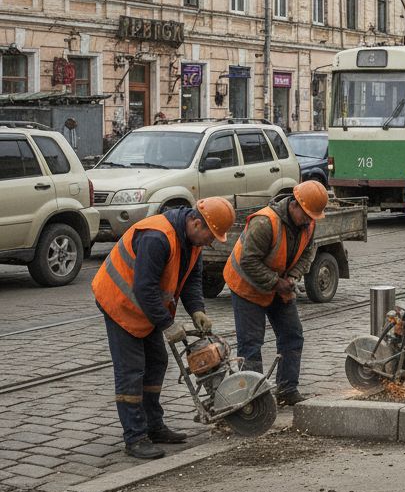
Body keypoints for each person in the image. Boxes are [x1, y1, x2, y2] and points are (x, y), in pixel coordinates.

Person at [92, 198, 233, 459]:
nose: (209, 242)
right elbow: (144, 289)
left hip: (144, 309)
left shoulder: (192, 241)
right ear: (195, 222)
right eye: (210, 236)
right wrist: (167, 324)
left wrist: (197, 310)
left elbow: (191, 279)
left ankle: (153, 426)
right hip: (119, 304)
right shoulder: (157, 237)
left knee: (157, 362)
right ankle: (135, 437)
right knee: (131, 370)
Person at [224, 181, 329, 406]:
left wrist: (292, 278)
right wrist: (276, 282)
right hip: (247, 287)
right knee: (251, 344)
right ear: (294, 205)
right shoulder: (265, 222)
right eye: (307, 215)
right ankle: (253, 399)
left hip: (279, 285)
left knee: (293, 335)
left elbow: (308, 254)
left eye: (313, 217)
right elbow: (249, 261)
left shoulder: (309, 224)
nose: (310, 220)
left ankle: (287, 390)